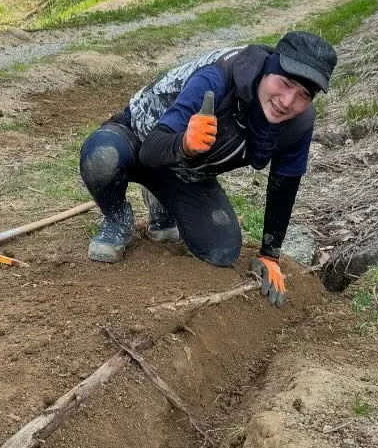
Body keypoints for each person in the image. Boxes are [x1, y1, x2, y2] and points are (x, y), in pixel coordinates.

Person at [77, 31, 337, 308]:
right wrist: (184, 143)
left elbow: (285, 183)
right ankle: (117, 219)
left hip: (185, 169)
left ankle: (161, 200)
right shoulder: (216, 78)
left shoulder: (298, 124)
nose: (287, 101)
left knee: (221, 251)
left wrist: (270, 255)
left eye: (303, 95)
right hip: (140, 137)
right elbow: (152, 149)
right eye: (284, 83)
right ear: (269, 69)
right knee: (102, 157)